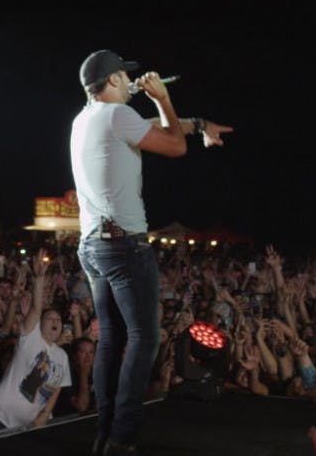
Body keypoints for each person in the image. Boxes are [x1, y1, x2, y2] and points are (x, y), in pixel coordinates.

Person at [70, 49, 232, 455]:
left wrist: (201, 125)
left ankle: (104, 433)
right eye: (124, 77)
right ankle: (121, 438)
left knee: (111, 339)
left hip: (92, 245)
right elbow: (174, 146)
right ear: (111, 82)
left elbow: (157, 130)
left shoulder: (87, 118)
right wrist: (163, 98)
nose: (130, 82)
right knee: (145, 338)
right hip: (124, 246)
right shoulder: (115, 115)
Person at [0, 251, 71, 430]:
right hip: (1, 419)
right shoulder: (30, 338)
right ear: (40, 325)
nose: (56, 322)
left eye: (58, 320)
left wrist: (45, 414)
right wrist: (39, 278)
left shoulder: (62, 356)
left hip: (31, 424)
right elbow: (36, 309)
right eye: (50, 319)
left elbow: (56, 388)